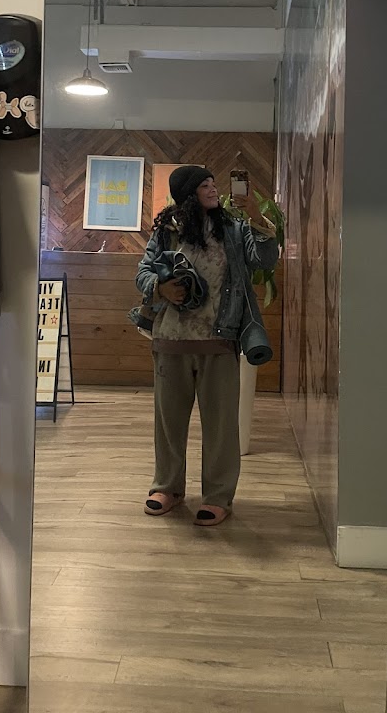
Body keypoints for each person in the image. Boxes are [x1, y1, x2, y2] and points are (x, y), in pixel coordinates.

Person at [136, 165, 278, 526]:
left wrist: (255, 216)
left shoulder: (234, 228)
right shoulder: (167, 232)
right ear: (187, 194)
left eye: (214, 183)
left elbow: (264, 260)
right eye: (205, 185)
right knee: (168, 423)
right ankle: (167, 488)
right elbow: (143, 272)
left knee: (221, 425)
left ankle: (218, 496)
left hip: (220, 338)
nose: (214, 189)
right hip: (170, 339)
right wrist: (160, 287)